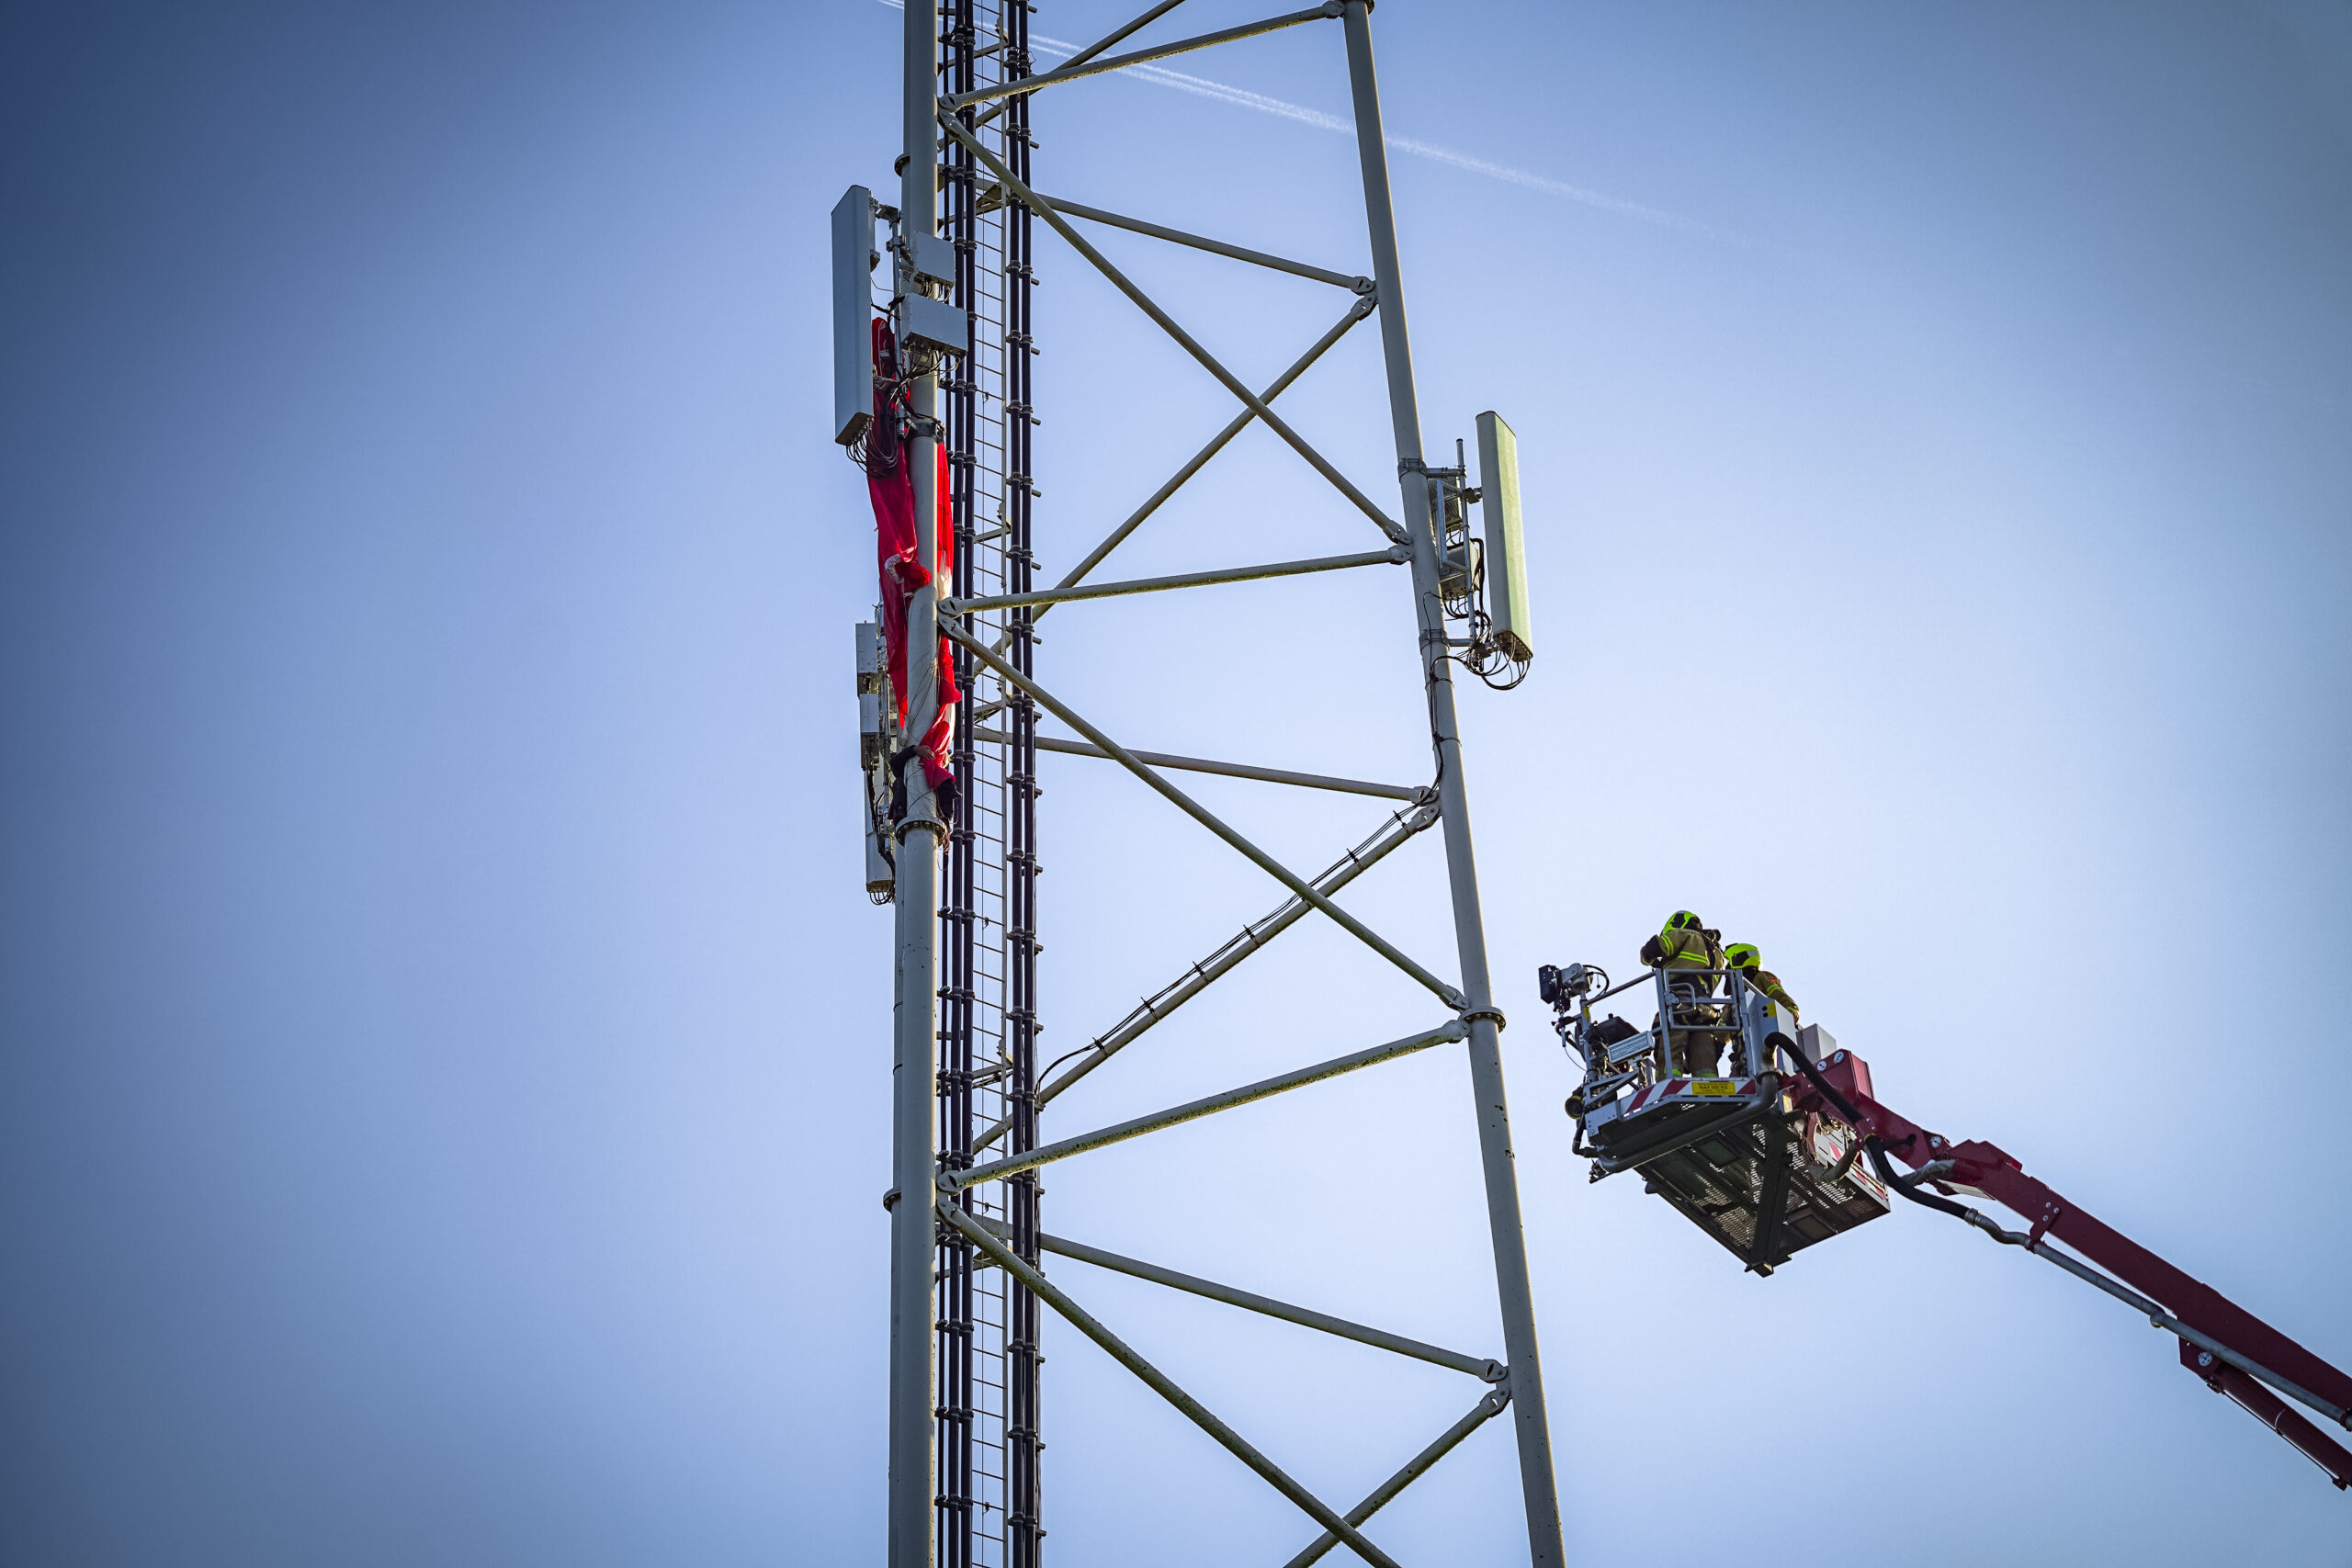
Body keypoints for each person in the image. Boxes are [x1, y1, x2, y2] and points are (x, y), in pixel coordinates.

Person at [1640, 910, 1725, 1077]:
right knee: (1703, 1050)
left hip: (1680, 1000)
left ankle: (1668, 1080)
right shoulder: (1717, 953)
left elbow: (1654, 949)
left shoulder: (1684, 934)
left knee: (1669, 1039)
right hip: (1705, 1007)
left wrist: (1648, 957)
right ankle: (1709, 1087)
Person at [1724, 943, 1799, 1025]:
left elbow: (1779, 994)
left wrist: (1791, 1011)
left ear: (1738, 959)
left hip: (1763, 1027)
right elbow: (1722, 1027)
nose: (1728, 966)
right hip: (1744, 1034)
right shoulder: (1736, 993)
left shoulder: (1761, 977)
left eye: (1729, 962)